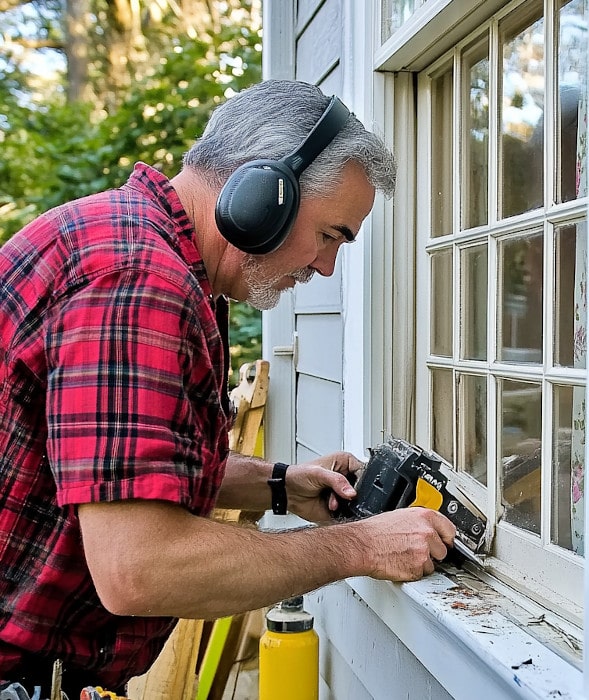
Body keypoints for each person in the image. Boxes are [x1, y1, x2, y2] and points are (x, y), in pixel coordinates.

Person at [0, 79, 456, 697]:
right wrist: (357, 547)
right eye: (330, 235)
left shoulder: (142, 253)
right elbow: (137, 567)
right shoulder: (136, 281)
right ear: (262, 196)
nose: (326, 267)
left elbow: (118, 470)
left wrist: (281, 486)